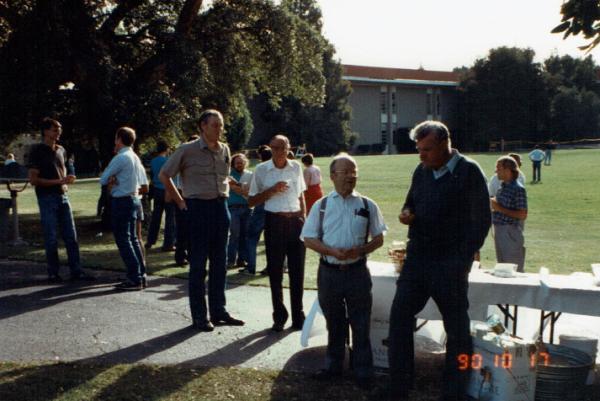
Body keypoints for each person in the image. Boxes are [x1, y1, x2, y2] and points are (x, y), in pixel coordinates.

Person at [387, 121, 491, 401]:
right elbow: (409, 204)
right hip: (418, 261)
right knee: (399, 317)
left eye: (427, 150)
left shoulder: (469, 172)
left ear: (446, 144)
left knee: (457, 329)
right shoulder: (421, 171)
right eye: (419, 150)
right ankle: (398, 385)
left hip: (450, 264)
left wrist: (461, 259)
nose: (421, 156)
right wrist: (406, 213)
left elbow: (481, 222)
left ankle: (455, 389)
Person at [301, 153, 387, 390]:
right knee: (334, 322)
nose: (351, 176)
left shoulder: (368, 205)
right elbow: (308, 238)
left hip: (358, 273)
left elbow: (379, 238)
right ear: (332, 176)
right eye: (345, 172)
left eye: (354, 172)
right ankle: (333, 367)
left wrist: (362, 249)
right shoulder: (321, 206)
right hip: (329, 273)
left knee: (360, 323)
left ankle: (363, 372)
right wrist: (330, 250)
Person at [159, 109, 244, 332]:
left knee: (220, 264)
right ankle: (199, 316)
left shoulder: (224, 149)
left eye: (221, 125)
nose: (220, 129)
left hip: (220, 208)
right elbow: (164, 175)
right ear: (202, 126)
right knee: (198, 265)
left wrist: (234, 186)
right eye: (215, 125)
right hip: (197, 209)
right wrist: (180, 201)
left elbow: (223, 176)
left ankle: (219, 310)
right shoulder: (186, 150)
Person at [248, 134, 306, 332]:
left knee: (297, 272)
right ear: (270, 148)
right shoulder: (262, 170)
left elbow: (301, 193)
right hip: (274, 221)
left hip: (295, 221)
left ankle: (298, 317)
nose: (278, 151)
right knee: (275, 272)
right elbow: (252, 201)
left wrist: (304, 217)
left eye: (282, 147)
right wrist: (271, 191)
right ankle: (279, 316)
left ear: (289, 147)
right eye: (274, 147)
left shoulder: (296, 167)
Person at [27, 118, 95, 283]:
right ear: (46, 131)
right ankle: (53, 272)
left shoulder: (61, 150)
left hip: (63, 196)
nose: (58, 132)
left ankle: (76, 271)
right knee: (51, 237)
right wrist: (59, 181)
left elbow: (63, 169)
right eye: (55, 129)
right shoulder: (37, 151)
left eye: (59, 129)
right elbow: (33, 180)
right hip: (46, 197)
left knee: (71, 236)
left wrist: (67, 178)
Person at [100, 127, 147, 290]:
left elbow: (104, 179)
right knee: (133, 239)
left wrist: (113, 179)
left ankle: (135, 278)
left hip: (122, 200)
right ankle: (141, 274)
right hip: (133, 199)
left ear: (119, 139)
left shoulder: (120, 157)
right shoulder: (134, 156)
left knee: (123, 240)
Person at [491, 156, 528, 272]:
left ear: (507, 170)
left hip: (510, 233)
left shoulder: (518, 189)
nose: (496, 171)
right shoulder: (503, 187)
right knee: (503, 270)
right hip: (500, 232)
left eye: (498, 168)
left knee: (513, 270)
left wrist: (498, 208)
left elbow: (522, 215)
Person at [173, 134, 199, 267]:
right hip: (183, 197)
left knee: (193, 229)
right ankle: (180, 256)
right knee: (182, 229)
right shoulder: (183, 160)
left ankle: (190, 254)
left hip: (195, 198)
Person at [146, 140, 176, 252]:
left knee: (156, 217)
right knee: (170, 218)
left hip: (157, 190)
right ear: (167, 149)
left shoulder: (153, 161)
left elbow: (153, 176)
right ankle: (168, 243)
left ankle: (150, 240)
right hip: (167, 190)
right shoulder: (168, 161)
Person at [248, 145, 272, 276]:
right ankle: (275, 265)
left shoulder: (260, 170)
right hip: (274, 206)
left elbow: (253, 192)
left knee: (252, 237)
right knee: (272, 238)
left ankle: (251, 266)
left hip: (261, 205)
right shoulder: (276, 170)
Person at [227, 153, 253, 271]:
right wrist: (242, 188)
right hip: (233, 207)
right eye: (237, 162)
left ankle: (242, 259)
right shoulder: (229, 175)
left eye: (241, 162)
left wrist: (238, 186)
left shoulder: (250, 175)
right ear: (233, 163)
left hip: (247, 207)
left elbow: (251, 192)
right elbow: (234, 189)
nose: (239, 164)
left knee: (245, 235)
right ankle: (230, 260)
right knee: (234, 234)